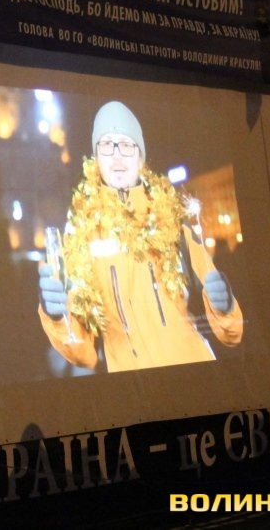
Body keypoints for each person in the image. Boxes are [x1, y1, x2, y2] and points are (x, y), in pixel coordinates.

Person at [37, 101, 243, 372]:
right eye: (107, 144)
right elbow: (83, 354)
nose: (117, 156)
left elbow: (231, 334)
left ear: (140, 156)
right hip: (132, 387)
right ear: (96, 157)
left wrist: (225, 307)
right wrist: (56, 317)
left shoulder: (175, 223)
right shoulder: (79, 238)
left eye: (126, 144)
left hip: (195, 375)